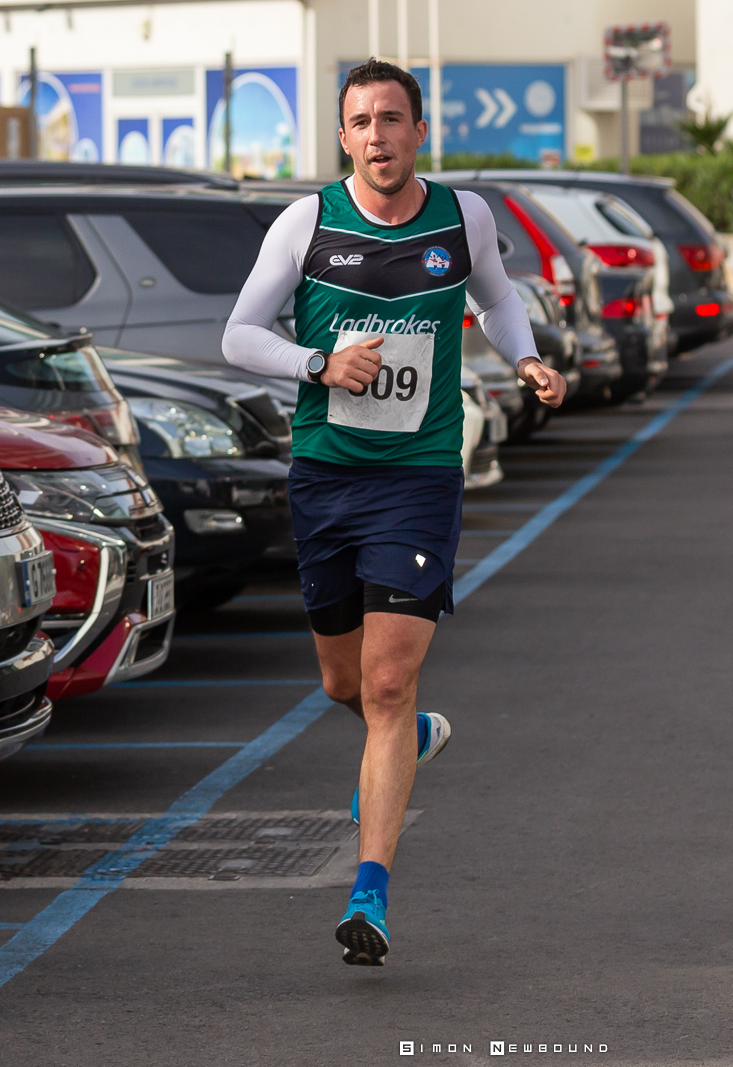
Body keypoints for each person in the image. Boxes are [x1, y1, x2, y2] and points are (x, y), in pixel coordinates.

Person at [222, 58, 567, 966]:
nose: (378, 135)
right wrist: (319, 364)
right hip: (327, 479)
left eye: (392, 118)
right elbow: (239, 334)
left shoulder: (463, 217)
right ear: (344, 137)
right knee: (342, 683)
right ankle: (405, 739)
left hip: (418, 478)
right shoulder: (307, 223)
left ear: (419, 130)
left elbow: (496, 299)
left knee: (384, 682)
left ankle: (368, 894)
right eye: (361, 121)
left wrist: (526, 357)